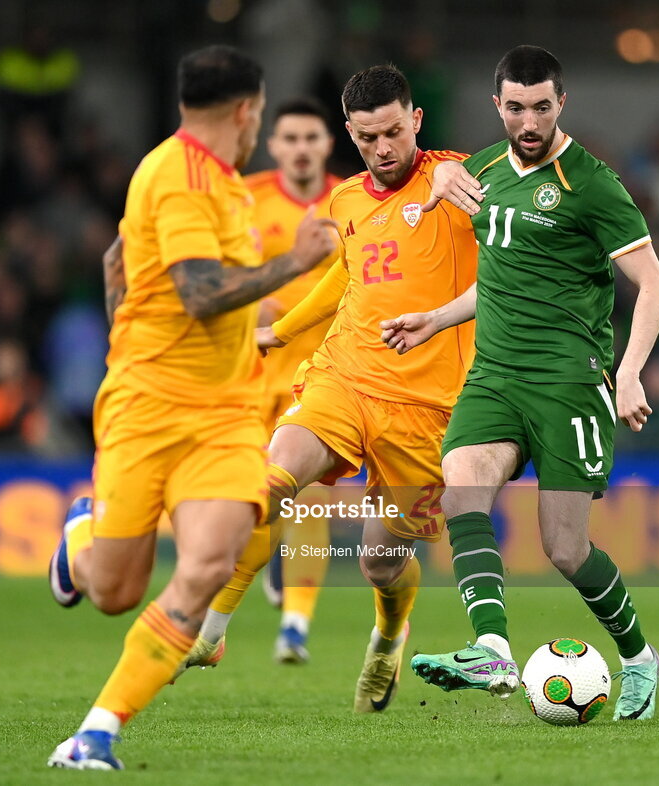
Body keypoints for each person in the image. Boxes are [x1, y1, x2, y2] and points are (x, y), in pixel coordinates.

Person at [45, 45, 336, 770]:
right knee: (114, 591)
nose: (257, 128)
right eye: (261, 117)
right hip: (148, 409)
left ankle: (97, 733)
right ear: (245, 111)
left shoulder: (229, 187)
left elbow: (124, 267)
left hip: (226, 413)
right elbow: (199, 293)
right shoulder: (174, 175)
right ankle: (81, 540)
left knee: (210, 563)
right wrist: (295, 264)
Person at [380, 45, 659, 720]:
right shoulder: (481, 170)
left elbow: (655, 286)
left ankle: (638, 658)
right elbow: (501, 276)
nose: (529, 120)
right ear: (498, 106)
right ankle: (491, 649)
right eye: (516, 107)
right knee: (462, 488)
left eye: (542, 106)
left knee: (565, 550)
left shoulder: (591, 185)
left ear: (560, 103)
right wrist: (434, 318)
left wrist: (628, 373)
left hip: (570, 384)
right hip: (496, 377)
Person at [180, 64, 478, 714]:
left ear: (416, 121)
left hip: (427, 410)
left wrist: (461, 170)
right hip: (343, 379)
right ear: (351, 132)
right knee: (269, 482)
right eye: (369, 137)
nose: (384, 148)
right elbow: (345, 278)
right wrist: (280, 334)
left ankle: (388, 634)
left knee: (380, 562)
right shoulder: (346, 199)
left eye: (395, 132)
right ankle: (212, 629)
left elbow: (515, 200)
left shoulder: (458, 179)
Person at [244, 97, 341, 664]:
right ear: (274, 146)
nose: (302, 148)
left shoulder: (350, 201)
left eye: (312, 138)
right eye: (291, 139)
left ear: (327, 145)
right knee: (246, 500)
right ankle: (267, 557)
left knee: (309, 505)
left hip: (323, 377)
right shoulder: (246, 200)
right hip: (250, 379)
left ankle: (295, 627)